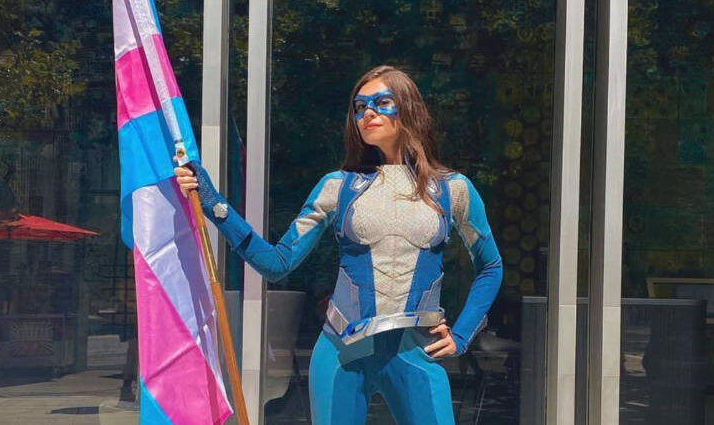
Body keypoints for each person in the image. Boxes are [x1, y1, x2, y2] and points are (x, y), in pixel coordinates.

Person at [174, 65, 503, 424]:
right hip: (342, 351)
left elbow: (490, 266)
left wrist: (462, 333)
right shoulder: (337, 186)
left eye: (381, 102)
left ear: (408, 108)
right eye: (359, 107)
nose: (368, 113)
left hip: (415, 350)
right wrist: (213, 203)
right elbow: (277, 261)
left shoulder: (453, 188)